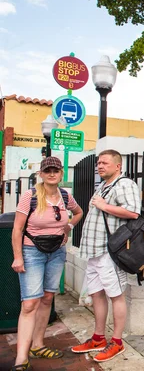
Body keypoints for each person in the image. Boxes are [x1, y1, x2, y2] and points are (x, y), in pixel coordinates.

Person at [10, 157, 83, 371]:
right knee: (29, 303)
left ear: (61, 174)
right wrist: (18, 257)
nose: (52, 174)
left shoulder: (65, 196)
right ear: (41, 174)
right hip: (32, 252)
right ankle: (21, 358)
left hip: (57, 252)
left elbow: (78, 212)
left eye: (56, 170)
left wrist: (68, 227)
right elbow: (17, 229)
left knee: (47, 298)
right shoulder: (29, 197)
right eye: (47, 170)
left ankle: (38, 345)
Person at [72, 150, 141, 363]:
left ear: (118, 165)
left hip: (109, 251)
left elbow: (133, 212)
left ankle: (117, 342)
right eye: (99, 163)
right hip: (93, 251)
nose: (100, 166)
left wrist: (104, 206)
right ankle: (98, 338)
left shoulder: (125, 184)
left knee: (115, 295)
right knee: (96, 294)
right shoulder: (103, 186)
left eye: (105, 163)